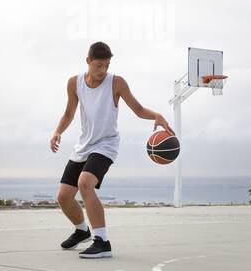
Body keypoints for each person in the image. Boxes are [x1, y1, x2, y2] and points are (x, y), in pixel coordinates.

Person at [50, 41, 172, 258]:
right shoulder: (74, 83)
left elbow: (138, 109)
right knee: (63, 196)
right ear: (88, 61)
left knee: (85, 184)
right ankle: (82, 231)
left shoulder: (116, 83)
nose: (103, 70)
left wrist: (157, 115)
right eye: (99, 65)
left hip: (106, 144)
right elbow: (69, 113)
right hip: (84, 145)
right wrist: (57, 132)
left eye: (106, 65)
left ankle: (102, 241)